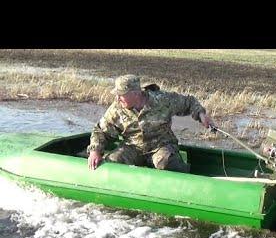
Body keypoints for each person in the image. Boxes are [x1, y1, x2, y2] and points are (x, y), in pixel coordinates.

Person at [87, 74, 215, 172]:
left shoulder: (162, 100)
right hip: (133, 148)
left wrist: (202, 115)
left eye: (121, 95)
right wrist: (95, 151)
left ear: (136, 94)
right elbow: (100, 131)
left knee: (166, 163)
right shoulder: (117, 108)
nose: (117, 98)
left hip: (161, 146)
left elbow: (189, 102)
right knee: (113, 162)